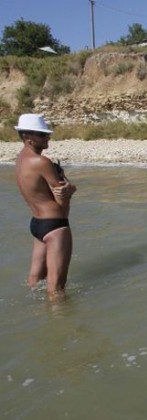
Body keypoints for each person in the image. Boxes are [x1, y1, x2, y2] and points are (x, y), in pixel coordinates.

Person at [14, 114, 77, 301]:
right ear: (28, 137)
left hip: (37, 224)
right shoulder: (42, 162)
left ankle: (35, 319)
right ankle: (61, 326)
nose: (47, 138)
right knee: (56, 289)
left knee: (34, 280)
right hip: (55, 226)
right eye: (42, 135)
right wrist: (71, 187)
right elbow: (62, 198)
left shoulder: (20, 160)